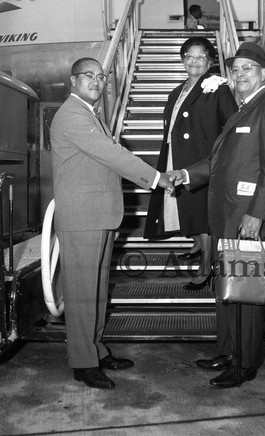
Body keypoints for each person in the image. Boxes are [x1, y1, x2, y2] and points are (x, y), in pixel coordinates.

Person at [169, 42, 265, 387]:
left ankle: (245, 363)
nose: (240, 74)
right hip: (227, 218)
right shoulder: (242, 110)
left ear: (263, 73)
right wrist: (185, 175)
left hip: (248, 221)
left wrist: (257, 214)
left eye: (247, 69)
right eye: (235, 69)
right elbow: (216, 162)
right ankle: (226, 350)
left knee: (248, 296)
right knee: (226, 290)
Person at [50, 57, 173, 389]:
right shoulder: (73, 115)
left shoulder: (91, 115)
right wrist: (157, 178)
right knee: (81, 294)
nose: (97, 81)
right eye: (88, 76)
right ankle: (82, 362)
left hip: (97, 215)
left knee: (97, 291)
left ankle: (96, 350)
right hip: (81, 218)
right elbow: (111, 154)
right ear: (72, 81)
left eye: (101, 77)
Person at [144, 37, 238, 290]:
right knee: (187, 207)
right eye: (189, 56)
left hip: (202, 161)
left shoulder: (218, 88)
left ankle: (206, 268)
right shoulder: (177, 90)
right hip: (176, 156)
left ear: (209, 61)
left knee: (202, 216)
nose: (194, 61)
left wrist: (216, 159)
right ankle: (197, 244)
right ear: (183, 59)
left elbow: (231, 128)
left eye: (200, 57)